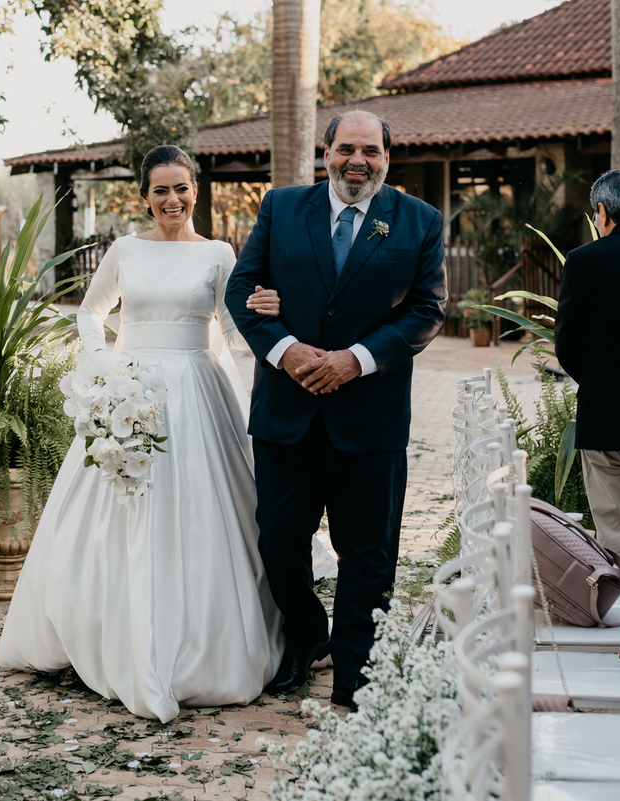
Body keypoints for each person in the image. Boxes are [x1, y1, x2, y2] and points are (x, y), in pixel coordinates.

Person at [0, 145, 286, 722]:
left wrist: (273, 327)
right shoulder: (126, 250)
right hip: (130, 393)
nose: (172, 200)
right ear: (145, 198)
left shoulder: (218, 253)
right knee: (115, 509)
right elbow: (89, 313)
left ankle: (202, 644)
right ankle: (104, 633)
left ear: (195, 191)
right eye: (161, 190)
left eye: (181, 188)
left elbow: (233, 329)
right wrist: (102, 368)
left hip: (198, 392)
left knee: (204, 513)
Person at [224, 110, 447, 711]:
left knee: (368, 553)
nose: (358, 161)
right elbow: (241, 288)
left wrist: (355, 360)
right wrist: (287, 350)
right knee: (279, 541)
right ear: (326, 152)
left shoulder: (420, 220)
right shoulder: (280, 208)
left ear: (387, 157)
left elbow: (427, 309)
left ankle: (356, 671)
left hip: (370, 416)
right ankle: (306, 638)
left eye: (371, 151)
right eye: (347, 148)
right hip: (286, 411)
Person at [554, 170, 620, 604]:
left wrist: (599, 379)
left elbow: (567, 345)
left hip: (606, 415)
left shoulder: (584, 260)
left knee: (616, 537)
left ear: (602, 212)